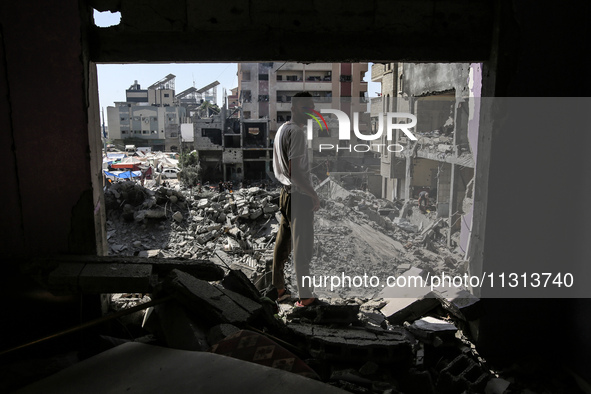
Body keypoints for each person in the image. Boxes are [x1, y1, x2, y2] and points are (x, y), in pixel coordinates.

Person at [272, 92, 321, 307]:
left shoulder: (282, 130)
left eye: (312, 107)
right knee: (303, 248)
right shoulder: (297, 133)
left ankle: (279, 289)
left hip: (285, 195)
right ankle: (306, 296)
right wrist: (313, 194)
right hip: (298, 197)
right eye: (305, 108)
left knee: (282, 244)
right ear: (293, 108)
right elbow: (295, 172)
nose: (310, 112)